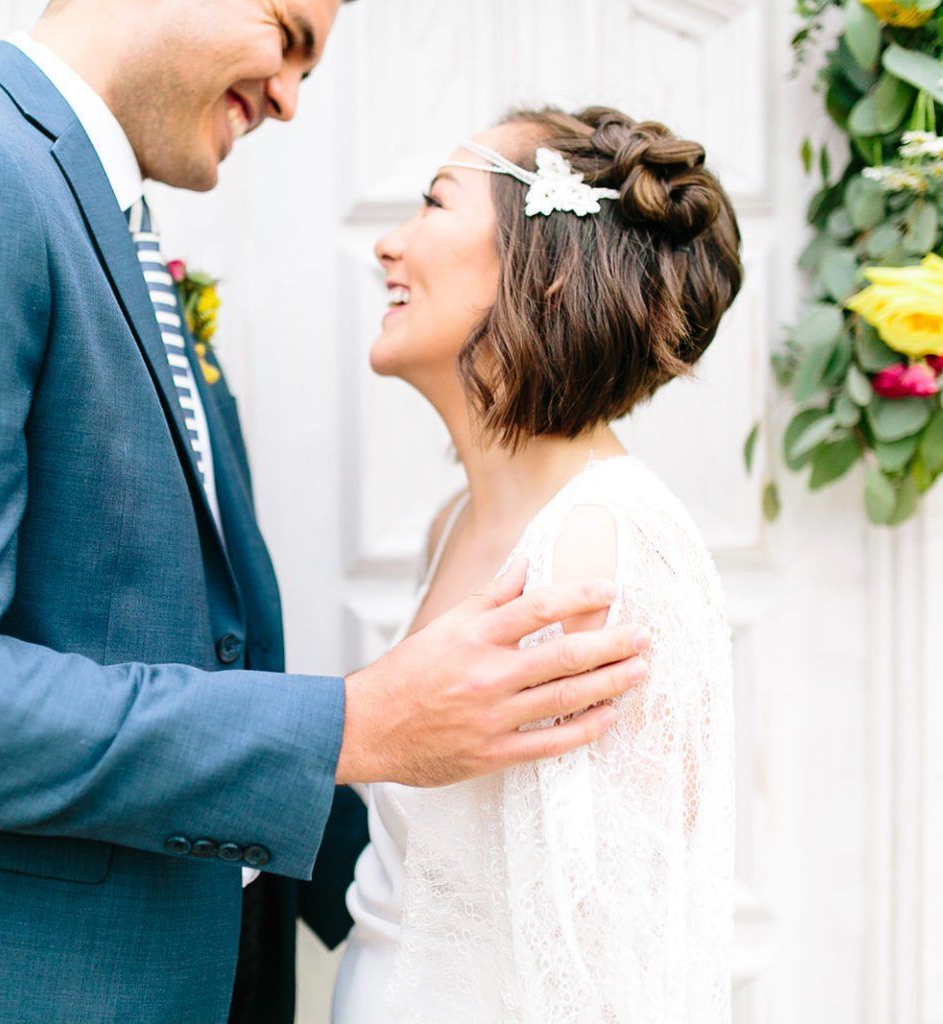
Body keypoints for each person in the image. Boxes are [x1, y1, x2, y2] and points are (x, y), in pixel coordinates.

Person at [0, 3, 648, 1021]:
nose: (293, 100)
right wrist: (356, 726)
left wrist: (451, 905)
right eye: (291, 35)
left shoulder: (124, 249)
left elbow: (208, 658)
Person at [332, 107, 743, 1023]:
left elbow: (617, 953)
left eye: (433, 204)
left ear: (542, 265)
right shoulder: (456, 525)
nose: (388, 248)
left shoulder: (601, 544)